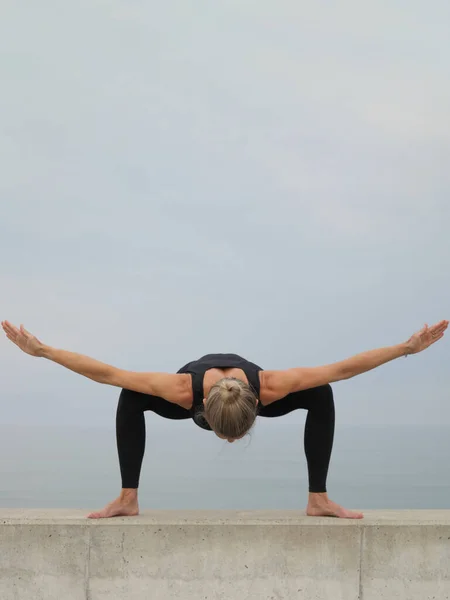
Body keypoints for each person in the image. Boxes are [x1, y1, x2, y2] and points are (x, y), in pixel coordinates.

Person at [1, 319, 448, 520]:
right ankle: (127, 497)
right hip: (196, 395)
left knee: (322, 392)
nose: (229, 443)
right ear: (204, 420)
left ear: (258, 408)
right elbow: (107, 373)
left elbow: (343, 369)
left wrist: (407, 349)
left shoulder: (271, 385)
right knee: (129, 393)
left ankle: (319, 498)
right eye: (225, 437)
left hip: (243, 395)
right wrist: (42, 352)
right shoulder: (180, 393)